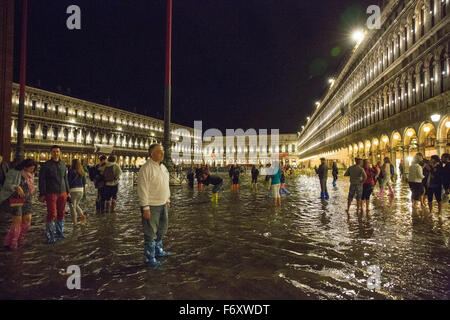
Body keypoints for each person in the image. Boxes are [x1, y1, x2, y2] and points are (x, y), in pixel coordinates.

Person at [137, 144, 171, 267]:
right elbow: (142, 189)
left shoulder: (163, 168)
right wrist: (145, 207)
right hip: (151, 205)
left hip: (162, 204)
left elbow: (165, 185)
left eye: (162, 151)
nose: (162, 154)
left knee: (162, 229)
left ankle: (158, 251)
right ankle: (149, 258)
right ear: (151, 154)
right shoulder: (146, 168)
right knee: (150, 232)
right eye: (159, 152)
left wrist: (167, 199)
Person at [1, 159, 37, 250]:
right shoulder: (14, 172)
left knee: (27, 220)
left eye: (33, 169)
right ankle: (13, 243)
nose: (31, 171)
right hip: (16, 198)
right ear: (25, 167)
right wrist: (16, 187)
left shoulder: (31, 175)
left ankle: (20, 240)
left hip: (27, 199)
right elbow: (7, 185)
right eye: (30, 168)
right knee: (17, 221)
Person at [38, 145, 70, 244]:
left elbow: (65, 178)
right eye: (54, 151)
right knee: (52, 214)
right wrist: (42, 193)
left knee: (61, 213)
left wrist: (68, 192)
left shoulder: (63, 164)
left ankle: (60, 233)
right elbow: (42, 180)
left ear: (60, 152)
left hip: (63, 192)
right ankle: (50, 236)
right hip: (51, 192)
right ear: (51, 153)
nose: (56, 153)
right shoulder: (46, 165)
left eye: (57, 151)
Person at [68, 159, 87, 226]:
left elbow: (68, 182)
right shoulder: (82, 171)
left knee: (72, 207)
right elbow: (84, 183)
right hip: (81, 190)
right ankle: (83, 216)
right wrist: (84, 192)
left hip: (73, 190)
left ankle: (75, 222)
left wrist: (67, 191)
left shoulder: (70, 171)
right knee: (75, 205)